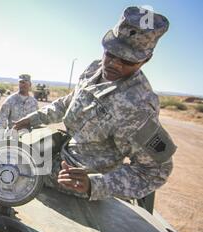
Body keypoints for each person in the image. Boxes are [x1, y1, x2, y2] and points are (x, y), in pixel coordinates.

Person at [13, 6, 176, 202]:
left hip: (74, 186)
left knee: (4, 168)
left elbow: (157, 170)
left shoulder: (138, 107)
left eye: (126, 60)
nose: (114, 64)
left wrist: (96, 184)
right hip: (57, 153)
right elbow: (69, 102)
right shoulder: (94, 70)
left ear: (145, 60)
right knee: (4, 151)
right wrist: (34, 118)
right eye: (111, 53)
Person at [0, 74, 38, 140]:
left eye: (25, 82)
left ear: (30, 84)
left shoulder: (34, 102)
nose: (23, 85)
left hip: (28, 139)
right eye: (21, 82)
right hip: (12, 138)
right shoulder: (10, 100)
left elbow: (36, 121)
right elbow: (1, 121)